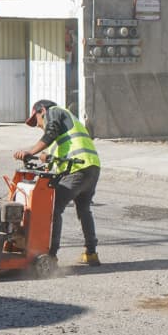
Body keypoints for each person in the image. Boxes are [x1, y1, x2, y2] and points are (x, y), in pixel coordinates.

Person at [13, 99, 102, 266]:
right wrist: (48, 158)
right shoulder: (68, 124)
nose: (39, 125)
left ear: (42, 111)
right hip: (91, 167)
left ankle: (50, 256)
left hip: (77, 169)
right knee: (84, 210)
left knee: (52, 209)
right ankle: (91, 253)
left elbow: (50, 132)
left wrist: (29, 152)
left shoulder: (54, 111)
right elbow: (62, 148)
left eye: (37, 121)